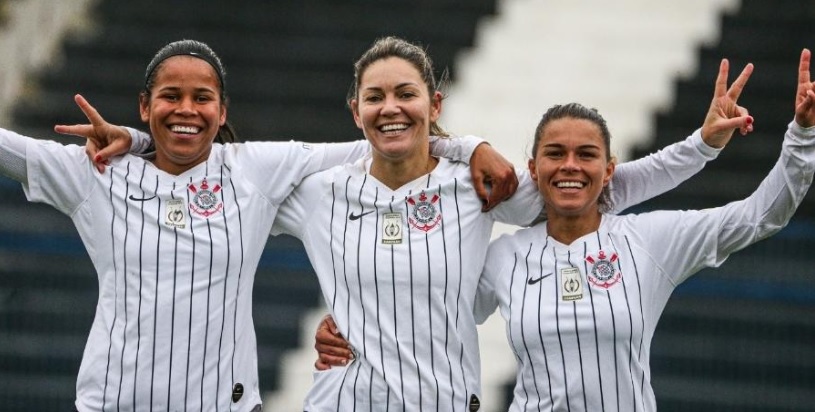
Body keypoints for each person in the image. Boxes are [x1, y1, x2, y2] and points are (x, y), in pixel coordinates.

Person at [0, 39, 505, 412]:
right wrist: (135, 143)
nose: (186, 109)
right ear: (143, 105)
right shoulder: (94, 174)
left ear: (222, 113)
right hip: (112, 403)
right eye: (170, 96)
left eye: (202, 99)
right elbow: (11, 151)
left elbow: (387, 139)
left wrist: (471, 146)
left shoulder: (254, 169)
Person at [266, 36, 754, 411]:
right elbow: (232, 208)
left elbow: (593, 188)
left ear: (434, 105)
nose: (390, 107)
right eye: (375, 97)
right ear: (356, 112)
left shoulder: (480, 185)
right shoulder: (319, 193)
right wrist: (348, 321)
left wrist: (702, 146)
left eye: (405, 93)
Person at [468, 50, 815, 411]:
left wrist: (802, 135)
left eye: (586, 154)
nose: (570, 166)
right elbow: (440, 316)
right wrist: (466, 147)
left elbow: (760, 217)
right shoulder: (504, 256)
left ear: (608, 171)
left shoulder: (648, 240)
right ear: (533, 169)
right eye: (555, 153)